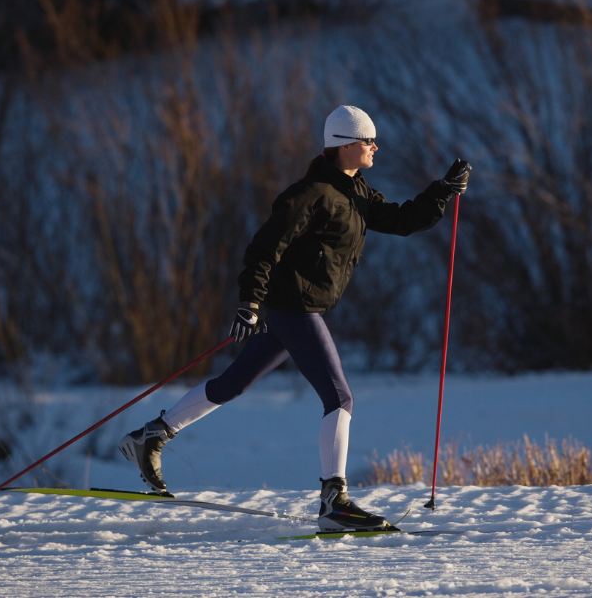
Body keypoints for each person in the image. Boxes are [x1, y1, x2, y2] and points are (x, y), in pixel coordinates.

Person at [118, 105, 471, 532]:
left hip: (302, 306)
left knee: (232, 384)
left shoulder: (356, 191)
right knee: (339, 398)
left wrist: (443, 190)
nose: (375, 146)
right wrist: (250, 303)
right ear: (345, 146)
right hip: (293, 307)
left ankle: (151, 435)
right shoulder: (309, 194)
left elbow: (400, 220)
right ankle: (333, 502)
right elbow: (265, 248)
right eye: (368, 141)